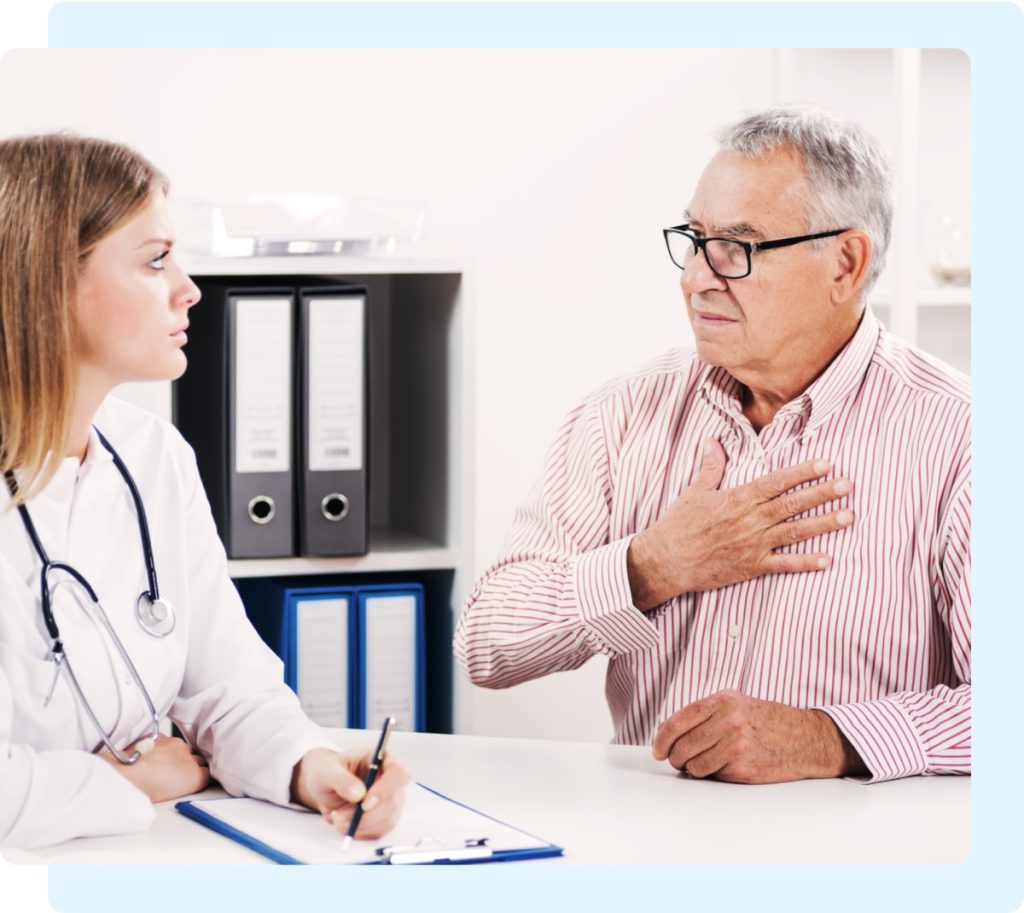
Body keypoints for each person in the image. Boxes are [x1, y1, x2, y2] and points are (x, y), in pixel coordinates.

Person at [455, 107, 970, 785]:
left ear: (845, 263)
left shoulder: (963, 437)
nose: (696, 277)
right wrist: (652, 564)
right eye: (694, 238)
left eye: (737, 246)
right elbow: (487, 643)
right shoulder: (623, 411)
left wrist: (831, 737)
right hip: (650, 852)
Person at [0, 134, 410, 849]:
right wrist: (129, 782)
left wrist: (309, 767)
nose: (188, 288)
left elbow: (229, 685)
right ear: (48, 284)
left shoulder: (155, 455)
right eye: (155, 261)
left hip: (149, 857)